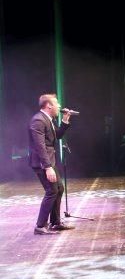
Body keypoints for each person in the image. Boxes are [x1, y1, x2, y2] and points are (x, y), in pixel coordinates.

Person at [29, 94, 74, 235]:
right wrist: (48, 167)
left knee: (59, 189)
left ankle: (55, 222)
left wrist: (65, 120)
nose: (59, 106)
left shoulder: (48, 119)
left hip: (48, 161)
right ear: (49, 106)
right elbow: (39, 146)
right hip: (42, 163)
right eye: (57, 103)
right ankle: (40, 226)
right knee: (52, 191)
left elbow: (58, 135)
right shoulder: (38, 120)